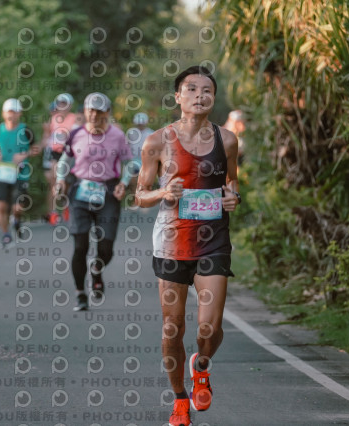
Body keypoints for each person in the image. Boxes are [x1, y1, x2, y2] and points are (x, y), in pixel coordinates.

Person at [134, 66, 241, 426]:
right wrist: (164, 191)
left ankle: (202, 365)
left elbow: (232, 182)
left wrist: (233, 197)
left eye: (206, 90)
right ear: (178, 96)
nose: (199, 95)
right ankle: (180, 400)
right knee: (172, 329)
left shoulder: (227, 140)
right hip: (171, 243)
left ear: (213, 97)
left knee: (209, 328)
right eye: (191, 89)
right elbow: (140, 196)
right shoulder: (156, 142)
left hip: (214, 241)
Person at [54, 92, 133, 311]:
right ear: (85, 111)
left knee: (106, 248)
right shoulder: (76, 134)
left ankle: (96, 269)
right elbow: (65, 160)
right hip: (80, 191)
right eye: (91, 110)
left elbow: (130, 163)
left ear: (107, 112)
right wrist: (60, 179)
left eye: (99, 111)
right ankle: (80, 293)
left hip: (108, 191)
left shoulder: (117, 135)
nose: (95, 115)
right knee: (80, 245)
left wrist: (124, 183)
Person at [0, 98, 37, 247]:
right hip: (2, 173)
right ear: (3, 113)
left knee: (17, 207)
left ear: (20, 113)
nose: (11, 115)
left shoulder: (25, 130)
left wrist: (23, 155)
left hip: (21, 172)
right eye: (9, 112)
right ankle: (6, 235)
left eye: (14, 112)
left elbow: (35, 148)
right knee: (1, 206)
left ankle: (17, 220)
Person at [42, 93, 78, 225]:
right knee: (53, 181)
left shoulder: (74, 118)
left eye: (65, 104)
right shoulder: (53, 119)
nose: (62, 106)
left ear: (70, 105)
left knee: (66, 184)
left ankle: (66, 205)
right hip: (55, 153)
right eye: (60, 103)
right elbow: (47, 137)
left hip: (69, 153)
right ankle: (53, 212)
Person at [126, 112, 154, 190]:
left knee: (145, 181)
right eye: (139, 123)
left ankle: (144, 194)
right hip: (133, 160)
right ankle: (134, 195)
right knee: (132, 180)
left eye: (142, 123)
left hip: (146, 161)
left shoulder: (150, 133)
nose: (140, 125)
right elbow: (127, 145)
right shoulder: (131, 132)